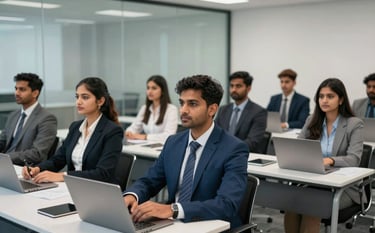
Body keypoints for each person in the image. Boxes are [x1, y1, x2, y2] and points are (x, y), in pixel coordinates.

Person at [123, 75, 249, 229]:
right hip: (172, 223)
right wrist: (132, 195)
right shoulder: (173, 143)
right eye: (182, 103)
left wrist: (173, 209)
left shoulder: (233, 148)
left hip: (210, 226)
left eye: (193, 104)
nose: (183, 110)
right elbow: (149, 181)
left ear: (212, 109)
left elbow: (226, 205)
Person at [284, 78, 364, 233]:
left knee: (312, 206)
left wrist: (330, 160)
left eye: (330, 96)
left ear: (341, 100)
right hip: (313, 180)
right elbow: (298, 147)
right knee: (291, 204)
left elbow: (354, 159)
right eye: (321, 96)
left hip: (343, 187)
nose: (324, 100)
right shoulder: (311, 120)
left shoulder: (354, 123)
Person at [22, 77, 123, 184]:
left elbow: (103, 173)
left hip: (97, 190)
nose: (78, 102)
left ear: (100, 101)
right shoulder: (75, 127)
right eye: (77, 97)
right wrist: (37, 169)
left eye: (85, 97)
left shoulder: (112, 131)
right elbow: (58, 159)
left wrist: (63, 176)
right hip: (73, 187)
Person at [0, 73, 57, 166]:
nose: (17, 93)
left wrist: (6, 157)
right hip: (5, 165)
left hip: (25, 168)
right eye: (16, 89)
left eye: (22, 89)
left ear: (35, 93)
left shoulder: (47, 118)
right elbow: (2, 142)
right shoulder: (13, 116)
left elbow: (37, 154)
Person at [216, 71, 267, 153]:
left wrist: (228, 149)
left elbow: (253, 142)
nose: (234, 89)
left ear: (248, 88)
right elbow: (215, 134)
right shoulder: (223, 110)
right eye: (231, 86)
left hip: (243, 155)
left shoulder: (259, 112)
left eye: (238, 86)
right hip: (221, 153)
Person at [125, 75, 178, 142]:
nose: (150, 91)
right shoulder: (144, 108)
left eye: (154, 88)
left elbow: (169, 135)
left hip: (163, 148)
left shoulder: (171, 109)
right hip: (145, 147)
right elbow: (134, 128)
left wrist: (144, 136)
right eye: (148, 88)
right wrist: (129, 132)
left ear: (163, 91)